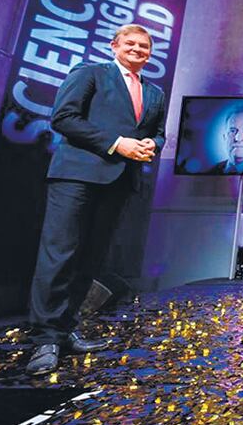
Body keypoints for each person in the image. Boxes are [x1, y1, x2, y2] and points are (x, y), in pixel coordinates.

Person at [25, 24, 167, 376]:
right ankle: (46, 338)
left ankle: (67, 326)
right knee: (60, 254)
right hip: (76, 176)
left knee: (90, 258)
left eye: (144, 46)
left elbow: (158, 132)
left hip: (119, 181)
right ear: (114, 45)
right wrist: (117, 144)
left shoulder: (154, 92)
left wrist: (153, 145)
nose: (138, 50)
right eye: (130, 43)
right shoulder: (90, 73)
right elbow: (64, 118)